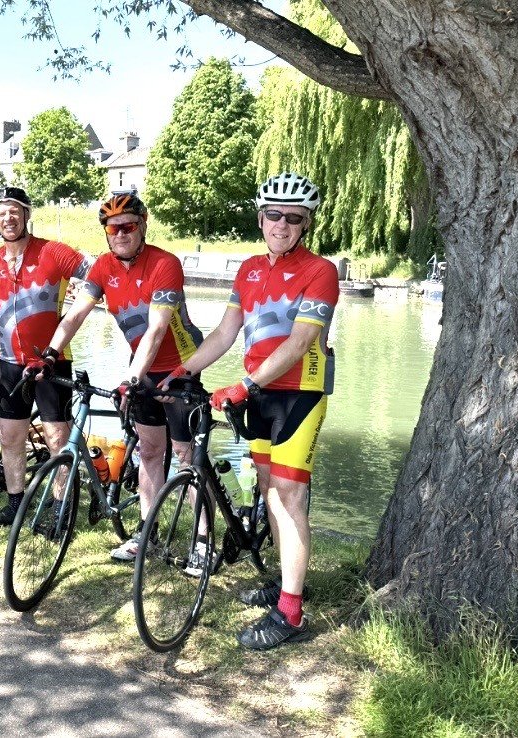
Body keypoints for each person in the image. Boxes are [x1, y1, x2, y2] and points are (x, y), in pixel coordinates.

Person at [167, 172, 339, 650]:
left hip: (299, 393)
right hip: (259, 394)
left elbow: (302, 340)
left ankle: (291, 612)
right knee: (267, 491)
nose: (281, 224)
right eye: (273, 215)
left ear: (305, 225)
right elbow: (224, 335)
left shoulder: (321, 271)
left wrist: (243, 384)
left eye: (293, 218)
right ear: (261, 217)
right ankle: (286, 580)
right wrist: (179, 373)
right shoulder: (247, 271)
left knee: (288, 497)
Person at [42, 193, 204, 561]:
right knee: (149, 451)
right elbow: (75, 315)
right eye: (112, 228)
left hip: (181, 367)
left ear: (143, 225)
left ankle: (202, 540)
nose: (120, 233)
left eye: (128, 226)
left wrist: (131, 378)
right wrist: (51, 353)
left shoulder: (165, 264)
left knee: (185, 454)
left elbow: (157, 329)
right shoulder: (102, 268)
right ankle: (148, 533)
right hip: (141, 368)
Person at [0, 186, 90, 528]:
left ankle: (60, 510)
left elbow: (97, 277)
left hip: (52, 361)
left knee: (57, 437)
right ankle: (15, 504)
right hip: (9, 363)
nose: (9, 217)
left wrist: (76, 310)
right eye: (2, 212)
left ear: (27, 215)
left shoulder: (53, 252)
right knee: (10, 436)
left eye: (15, 210)